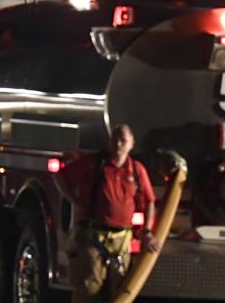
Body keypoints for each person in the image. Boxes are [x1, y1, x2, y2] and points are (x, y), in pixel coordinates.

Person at [54, 124, 161, 303]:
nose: (119, 144)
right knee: (89, 287)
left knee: (121, 292)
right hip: (92, 236)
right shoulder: (93, 164)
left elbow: (149, 201)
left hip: (122, 240)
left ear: (131, 144)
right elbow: (60, 177)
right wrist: (74, 200)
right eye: (115, 140)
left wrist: (147, 232)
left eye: (123, 141)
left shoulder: (136, 170)